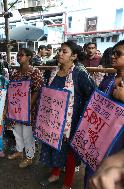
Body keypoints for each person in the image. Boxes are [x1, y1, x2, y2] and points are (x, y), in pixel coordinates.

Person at [39, 41, 96, 189]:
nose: (60, 54)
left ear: (74, 56)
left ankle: (67, 183)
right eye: (59, 51)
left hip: (72, 121)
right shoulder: (52, 72)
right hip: (53, 119)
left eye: (64, 51)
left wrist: (82, 118)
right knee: (54, 146)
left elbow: (92, 95)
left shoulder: (79, 74)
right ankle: (55, 173)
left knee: (69, 153)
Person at [84, 40, 124, 189]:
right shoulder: (108, 79)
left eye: (118, 54)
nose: (113, 56)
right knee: (91, 172)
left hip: (118, 144)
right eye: (113, 53)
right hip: (98, 136)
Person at [8, 48, 43, 168]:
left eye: (21, 55)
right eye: (18, 55)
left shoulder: (35, 72)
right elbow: (11, 90)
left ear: (29, 57)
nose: (18, 57)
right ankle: (19, 151)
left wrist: (28, 106)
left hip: (28, 108)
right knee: (17, 130)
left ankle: (29, 156)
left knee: (27, 133)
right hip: (16, 108)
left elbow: (37, 90)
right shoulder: (15, 73)